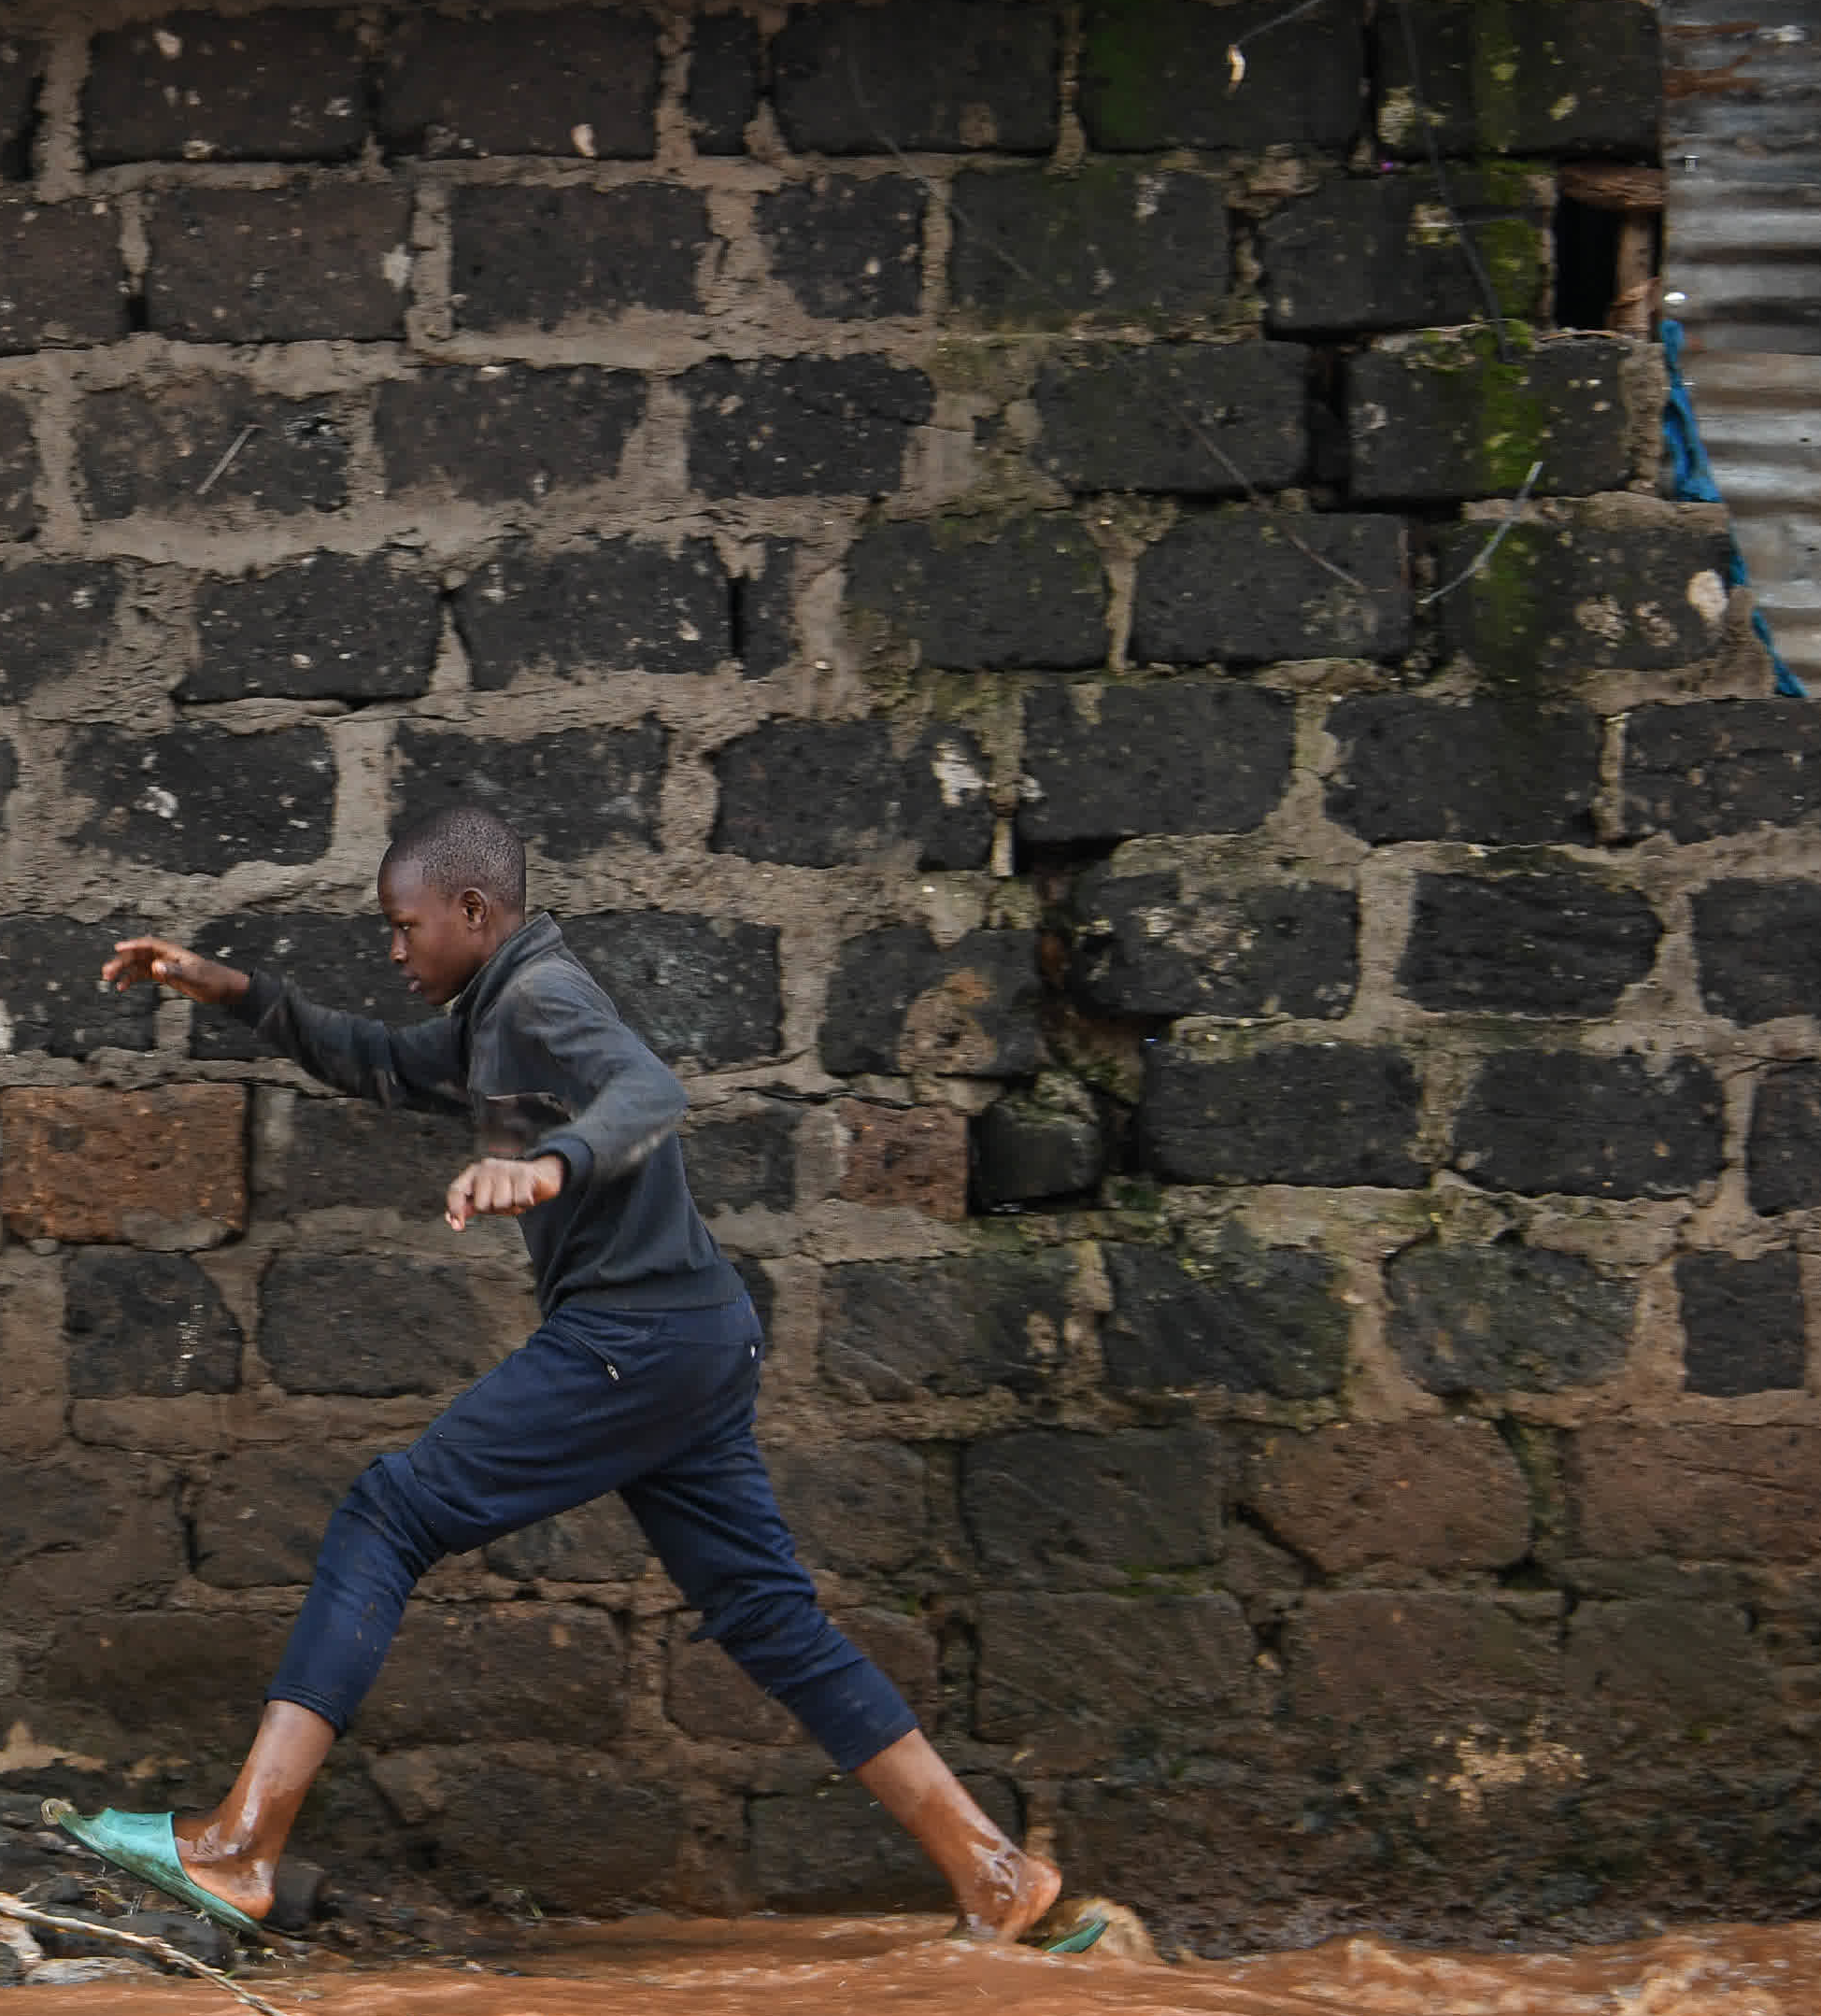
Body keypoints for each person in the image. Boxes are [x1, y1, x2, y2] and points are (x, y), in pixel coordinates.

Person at [72, 794, 1086, 1949]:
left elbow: (651, 1094)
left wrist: (550, 1164)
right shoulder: (491, 1008)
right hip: (694, 1339)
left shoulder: (546, 999)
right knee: (767, 1615)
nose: (394, 951)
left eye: (405, 928)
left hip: (636, 1339)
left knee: (386, 1514)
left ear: (472, 909)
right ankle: (994, 1873)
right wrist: (233, 990)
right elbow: (384, 1065)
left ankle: (245, 1844)